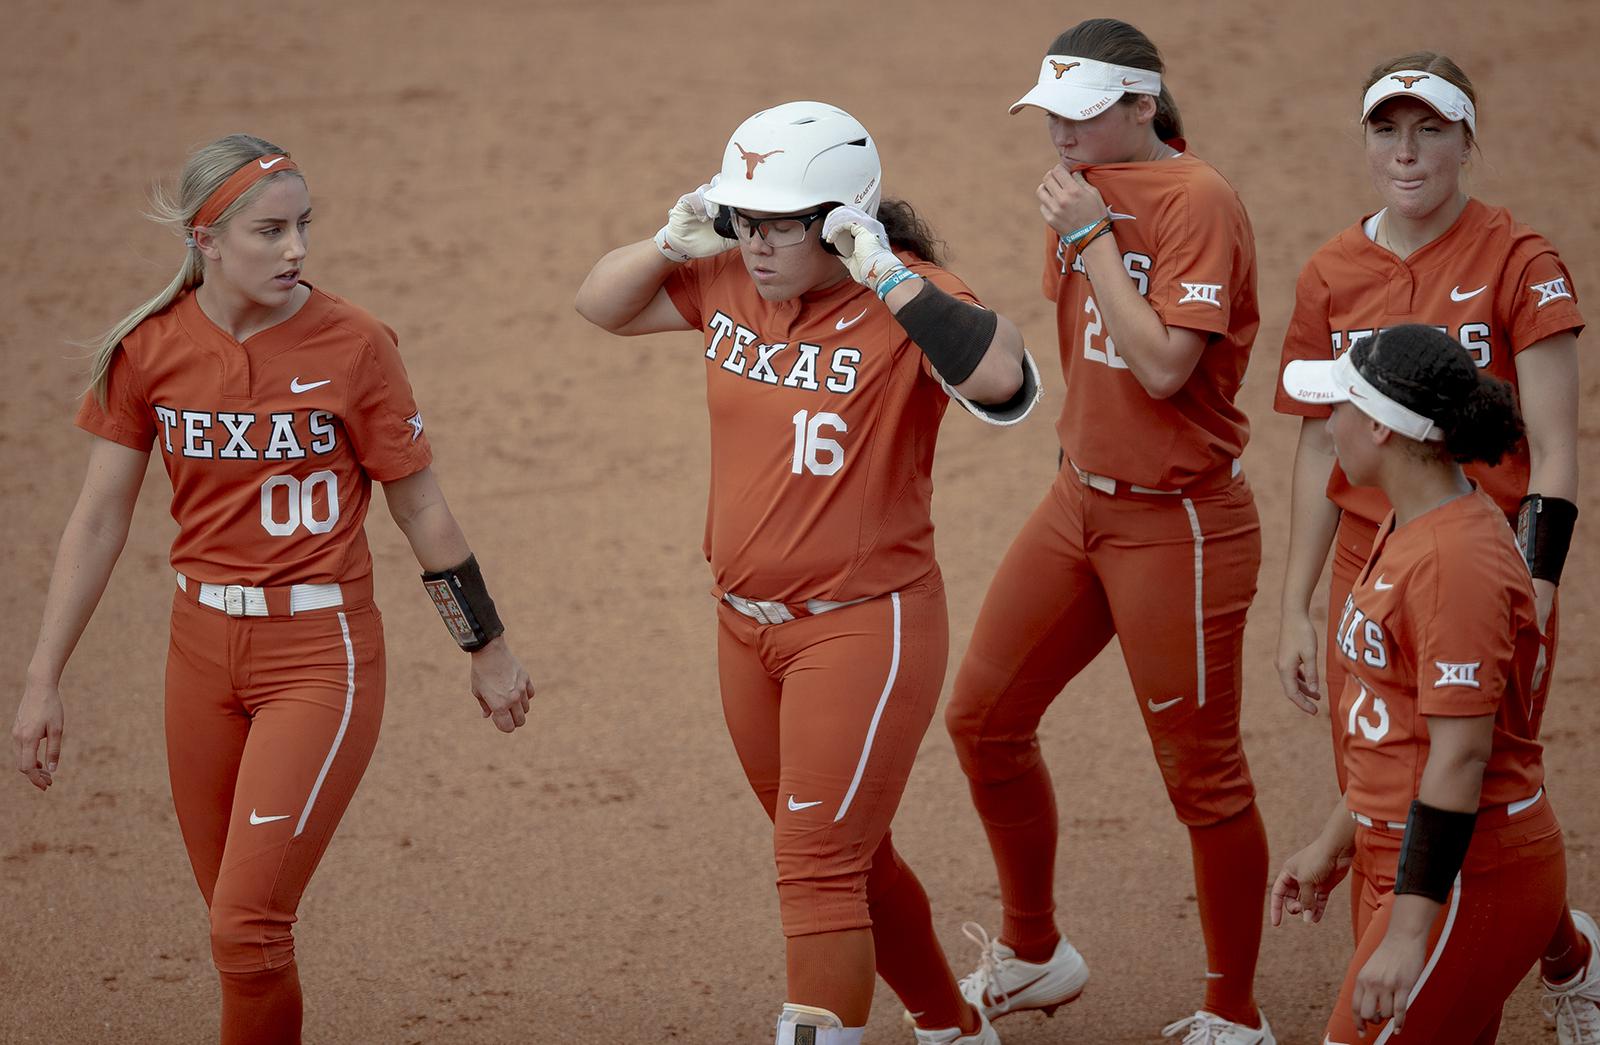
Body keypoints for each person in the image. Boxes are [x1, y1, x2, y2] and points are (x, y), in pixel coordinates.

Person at [9, 134, 537, 1045]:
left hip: (319, 656)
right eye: (270, 230)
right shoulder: (152, 349)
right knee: (240, 935)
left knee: (245, 927)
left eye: (304, 227)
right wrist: (42, 675)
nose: (296, 249)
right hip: (198, 653)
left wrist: (486, 647)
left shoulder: (356, 344)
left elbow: (423, 513)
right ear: (206, 239)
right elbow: (98, 520)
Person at [575, 100, 1041, 1045]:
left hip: (863, 627)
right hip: (743, 628)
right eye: (744, 217)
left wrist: (886, 274)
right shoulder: (724, 280)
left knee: (816, 860)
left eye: (781, 222)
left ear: (842, 218)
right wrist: (670, 241)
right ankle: (954, 1028)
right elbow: (601, 304)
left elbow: (1002, 382)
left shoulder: (908, 294)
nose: (755, 241)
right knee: (842, 853)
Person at [943, 18, 1275, 1045]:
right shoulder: (1079, 191)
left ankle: (1235, 1014)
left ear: (1143, 104)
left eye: (1084, 113)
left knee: (1201, 777)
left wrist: (1092, 236)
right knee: (981, 721)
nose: (1061, 133)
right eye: (1052, 113)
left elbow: (1163, 367)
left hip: (1178, 524)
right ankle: (1037, 953)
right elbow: (1080, 354)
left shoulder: (1197, 201)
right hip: (1078, 503)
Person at [1271, 52, 1596, 1042]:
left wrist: (1535, 575)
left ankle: (1428, 958)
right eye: (1386, 129)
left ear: (1465, 139)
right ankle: (1480, 957)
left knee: (1470, 766)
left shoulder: (1517, 258)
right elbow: (1317, 442)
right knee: (1386, 760)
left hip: (1474, 558)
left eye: (1429, 130)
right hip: (1375, 553)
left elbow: (1551, 446)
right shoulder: (1333, 269)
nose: (1406, 151)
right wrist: (1294, 602)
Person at [1271, 323, 1568, 1042]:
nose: (1326, 423)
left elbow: (1460, 757)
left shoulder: (1453, 563)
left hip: (1468, 878)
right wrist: (1335, 841)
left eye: (1337, 404)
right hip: (1414, 862)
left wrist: (1409, 936)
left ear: (1379, 427)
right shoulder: (1409, 524)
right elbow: (1395, 722)